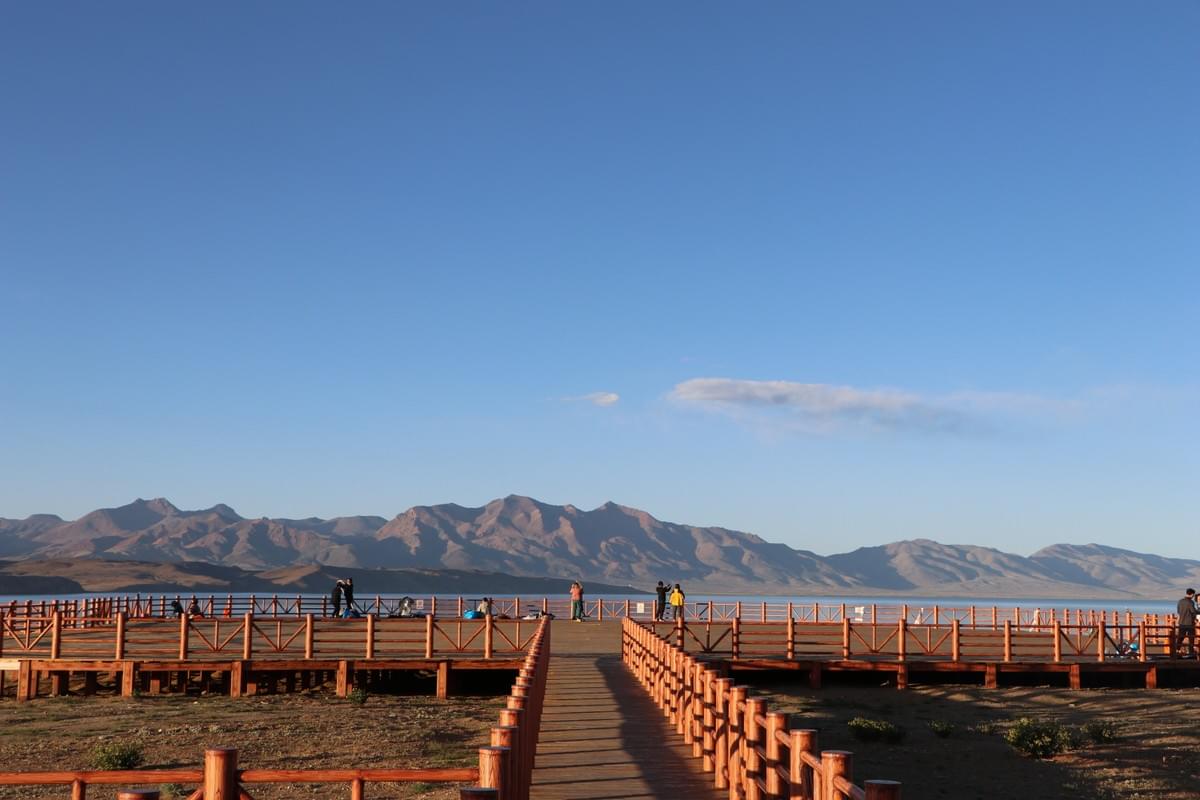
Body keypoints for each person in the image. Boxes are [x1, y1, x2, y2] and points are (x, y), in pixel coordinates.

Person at [1174, 588, 1198, 657]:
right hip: (1190, 623)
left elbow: (1178, 611)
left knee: (1180, 637)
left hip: (1181, 622)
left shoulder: (1180, 601)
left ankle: (1176, 650)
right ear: (1192, 594)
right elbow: (1193, 612)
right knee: (1191, 638)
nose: (1193, 596)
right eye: (1193, 595)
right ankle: (1191, 653)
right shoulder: (1190, 602)